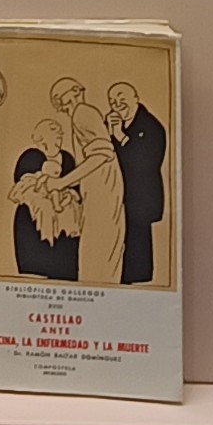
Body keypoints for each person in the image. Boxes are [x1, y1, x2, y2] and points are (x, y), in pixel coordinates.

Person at [48, 76, 126, 282]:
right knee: (101, 252)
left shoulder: (82, 114)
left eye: (61, 99)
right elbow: (91, 161)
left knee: (98, 254)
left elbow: (102, 154)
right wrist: (69, 186)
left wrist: (61, 183)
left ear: (74, 93)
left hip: (103, 193)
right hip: (101, 192)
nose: (62, 106)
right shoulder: (83, 114)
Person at [107, 80, 169, 285]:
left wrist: (120, 136)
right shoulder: (114, 125)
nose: (117, 105)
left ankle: (138, 276)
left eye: (121, 99)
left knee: (138, 236)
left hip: (142, 195)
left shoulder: (151, 126)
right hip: (119, 193)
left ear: (135, 98)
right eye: (112, 101)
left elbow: (146, 162)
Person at [7, 117, 83, 280]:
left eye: (60, 137)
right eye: (54, 138)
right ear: (42, 139)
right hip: (34, 217)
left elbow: (75, 185)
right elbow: (22, 182)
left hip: (64, 216)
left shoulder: (67, 158)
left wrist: (66, 194)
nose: (58, 141)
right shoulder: (31, 156)